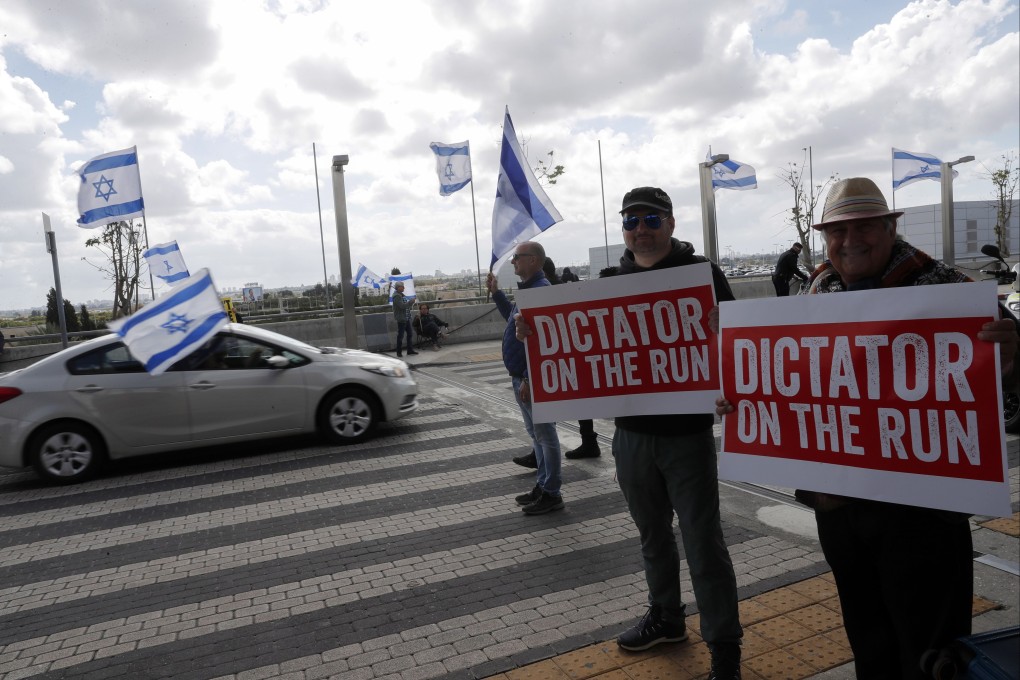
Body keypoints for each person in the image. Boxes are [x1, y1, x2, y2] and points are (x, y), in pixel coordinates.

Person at [716, 177, 1020, 680]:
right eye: (837, 231)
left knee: (931, 653)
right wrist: (741, 398)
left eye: (863, 227)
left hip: (923, 516)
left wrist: (1009, 361)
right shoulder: (817, 288)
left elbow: (1007, 382)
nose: (850, 241)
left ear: (889, 227)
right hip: (841, 511)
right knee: (869, 640)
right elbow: (796, 387)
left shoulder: (951, 290)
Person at [515, 187, 743, 679]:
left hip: (687, 436)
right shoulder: (609, 283)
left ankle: (725, 647)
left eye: (651, 219)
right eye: (631, 219)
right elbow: (576, 347)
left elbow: (739, 343)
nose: (640, 228)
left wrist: (727, 349)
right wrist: (534, 335)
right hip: (631, 436)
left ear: (671, 223)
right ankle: (667, 617)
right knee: (652, 536)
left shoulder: (703, 275)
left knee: (704, 543)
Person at [486, 241, 564, 515]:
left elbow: (545, 342)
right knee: (537, 435)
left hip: (531, 379)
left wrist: (531, 378)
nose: (513, 262)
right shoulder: (530, 291)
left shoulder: (541, 292)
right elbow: (513, 318)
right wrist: (496, 294)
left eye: (517, 258)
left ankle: (552, 492)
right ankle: (543, 485)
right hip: (521, 377)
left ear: (533, 261)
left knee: (546, 436)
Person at [391, 281, 418, 358]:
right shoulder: (397, 296)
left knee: (409, 334)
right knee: (400, 336)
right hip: (402, 319)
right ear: (398, 287)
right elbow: (402, 306)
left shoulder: (401, 295)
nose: (404, 288)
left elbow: (407, 306)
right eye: (402, 287)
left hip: (406, 317)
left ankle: (410, 350)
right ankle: (399, 352)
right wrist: (410, 302)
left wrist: (411, 303)